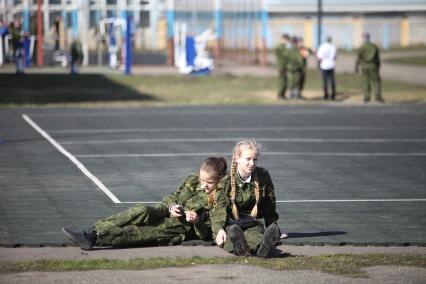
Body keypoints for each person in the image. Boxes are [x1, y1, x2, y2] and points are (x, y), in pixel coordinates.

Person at [63, 156, 228, 250]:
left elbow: (206, 232)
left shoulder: (218, 198)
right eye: (202, 180)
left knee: (138, 232)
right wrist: (172, 206)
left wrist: (197, 221)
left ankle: (94, 237)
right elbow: (170, 197)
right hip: (166, 211)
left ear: (219, 180)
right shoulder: (192, 181)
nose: (204, 185)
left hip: (178, 227)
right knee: (141, 210)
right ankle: (91, 230)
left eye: (209, 182)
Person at [213, 140, 283, 258]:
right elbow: (219, 208)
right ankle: (241, 249)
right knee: (229, 236)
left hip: (251, 222)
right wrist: (219, 230)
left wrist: (272, 225)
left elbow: (269, 202)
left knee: (257, 236)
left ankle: (261, 250)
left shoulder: (262, 176)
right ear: (237, 158)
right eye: (248, 159)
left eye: (254, 159)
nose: (252, 163)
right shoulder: (226, 181)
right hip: (231, 223)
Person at [355, 32, 384, 102]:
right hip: (373, 66)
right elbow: (377, 58)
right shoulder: (374, 46)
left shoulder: (361, 47)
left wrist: (356, 66)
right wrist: (378, 66)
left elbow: (358, 58)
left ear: (363, 38)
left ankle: (366, 97)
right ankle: (377, 97)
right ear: (369, 38)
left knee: (365, 82)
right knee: (376, 81)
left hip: (364, 66)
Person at [316, 36, 337, 100]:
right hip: (331, 65)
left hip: (324, 66)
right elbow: (335, 57)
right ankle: (333, 95)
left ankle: (326, 95)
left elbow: (319, 57)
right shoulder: (333, 47)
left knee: (325, 81)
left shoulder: (322, 46)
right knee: (332, 81)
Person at [275, 33, 290, 100]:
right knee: (282, 81)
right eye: (286, 40)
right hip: (281, 66)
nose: (287, 41)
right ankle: (279, 95)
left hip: (285, 66)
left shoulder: (284, 47)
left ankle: (283, 94)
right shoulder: (280, 47)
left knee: (285, 81)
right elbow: (286, 55)